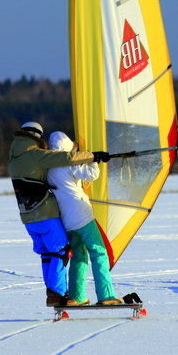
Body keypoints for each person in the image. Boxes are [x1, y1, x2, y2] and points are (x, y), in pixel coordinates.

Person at [8, 121, 110, 306]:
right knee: (81, 252)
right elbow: (73, 162)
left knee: (56, 254)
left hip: (34, 217)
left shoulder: (18, 158)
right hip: (64, 214)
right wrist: (93, 158)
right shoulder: (39, 156)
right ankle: (99, 295)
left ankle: (73, 296)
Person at [47, 131, 123, 306]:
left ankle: (76, 296)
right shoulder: (68, 160)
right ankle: (106, 295)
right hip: (81, 215)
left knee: (79, 256)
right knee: (99, 252)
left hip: (66, 220)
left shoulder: (49, 166)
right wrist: (92, 159)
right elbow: (91, 175)